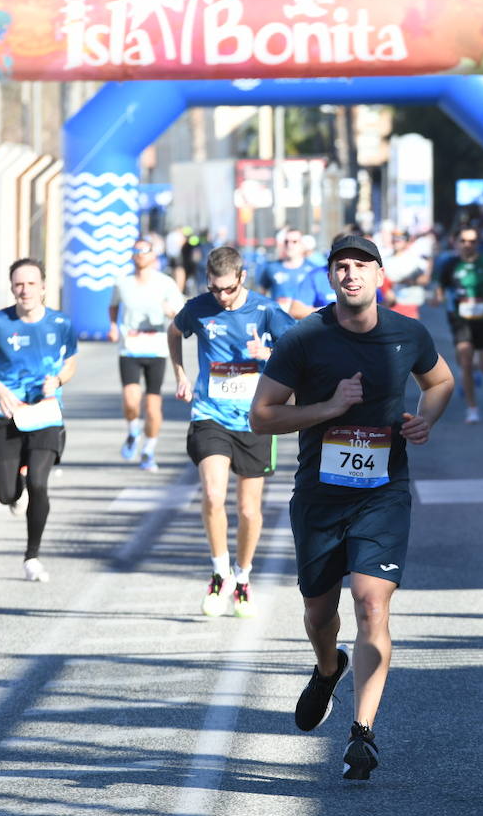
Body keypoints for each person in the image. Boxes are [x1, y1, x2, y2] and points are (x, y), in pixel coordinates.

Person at [250, 234, 455, 780]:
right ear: (330, 277)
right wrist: (328, 407)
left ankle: (362, 732)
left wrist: (424, 417)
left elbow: (441, 381)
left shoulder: (407, 333)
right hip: (319, 495)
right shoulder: (304, 338)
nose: (351, 275)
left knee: (371, 605)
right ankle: (327, 666)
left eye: (361, 266)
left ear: (380, 275)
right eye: (341, 267)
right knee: (320, 611)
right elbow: (261, 416)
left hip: (383, 493)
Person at [168, 246, 296, 617]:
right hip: (211, 413)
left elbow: (298, 350)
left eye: (227, 289)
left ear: (242, 278)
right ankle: (219, 572)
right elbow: (174, 331)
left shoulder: (266, 309)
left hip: (256, 417)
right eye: (214, 289)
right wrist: (179, 373)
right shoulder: (199, 307)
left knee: (249, 509)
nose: (221, 297)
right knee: (212, 493)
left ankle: (242, 578)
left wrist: (268, 356)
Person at [0, 258, 78, 583]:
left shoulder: (60, 324)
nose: (24, 290)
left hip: (46, 414)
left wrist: (58, 381)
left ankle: (32, 556)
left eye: (31, 283)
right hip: (8, 415)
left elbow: (70, 363)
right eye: (19, 284)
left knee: (40, 483)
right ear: (11, 287)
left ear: (43, 287)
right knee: (6, 493)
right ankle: (17, 493)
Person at [109, 234, 185, 470]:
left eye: (145, 251)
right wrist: (113, 326)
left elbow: (180, 312)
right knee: (131, 401)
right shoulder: (123, 282)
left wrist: (169, 310)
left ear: (153, 256)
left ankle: (149, 449)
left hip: (157, 348)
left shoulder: (165, 283)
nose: (140, 255)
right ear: (132, 256)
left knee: (153, 408)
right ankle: (133, 431)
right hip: (130, 348)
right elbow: (113, 306)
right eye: (137, 251)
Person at [437, 226, 483, 423]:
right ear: (456, 242)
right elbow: (441, 287)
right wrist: (441, 300)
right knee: (465, 358)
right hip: (460, 319)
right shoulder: (450, 264)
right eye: (463, 241)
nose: (467, 245)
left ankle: (476, 365)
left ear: (478, 244)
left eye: (472, 241)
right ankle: (472, 408)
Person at [257, 228, 316, 316]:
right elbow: (260, 297)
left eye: (294, 241)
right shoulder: (272, 268)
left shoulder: (313, 270)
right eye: (286, 241)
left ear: (302, 245)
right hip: (278, 323)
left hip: (305, 324)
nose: (289, 245)